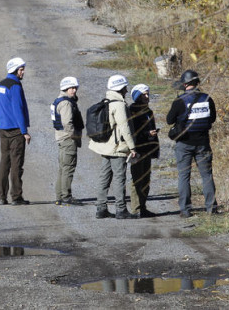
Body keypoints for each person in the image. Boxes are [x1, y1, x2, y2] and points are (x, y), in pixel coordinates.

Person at [166, 70, 218, 218]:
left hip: (184, 143)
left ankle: (185, 209)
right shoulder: (207, 99)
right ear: (197, 83)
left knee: (184, 176)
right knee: (207, 175)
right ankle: (211, 208)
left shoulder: (180, 101)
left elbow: (169, 120)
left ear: (185, 84)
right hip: (203, 142)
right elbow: (212, 119)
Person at [88, 74, 139, 219]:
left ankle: (101, 208)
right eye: (125, 87)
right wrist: (132, 147)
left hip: (105, 147)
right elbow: (125, 128)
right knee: (119, 178)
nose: (127, 90)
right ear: (121, 88)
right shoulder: (119, 105)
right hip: (117, 149)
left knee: (104, 177)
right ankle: (121, 209)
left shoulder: (106, 101)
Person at [0, 57, 31, 205]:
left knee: (5, 162)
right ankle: (16, 197)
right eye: (21, 70)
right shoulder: (15, 86)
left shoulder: (0, 85)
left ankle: (1, 197)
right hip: (16, 131)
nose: (23, 72)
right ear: (15, 70)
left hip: (3, 129)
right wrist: (24, 131)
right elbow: (18, 109)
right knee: (16, 164)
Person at [127, 84, 159, 218]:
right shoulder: (132, 111)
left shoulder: (148, 111)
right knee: (137, 179)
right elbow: (132, 132)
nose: (147, 97)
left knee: (146, 180)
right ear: (137, 97)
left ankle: (143, 207)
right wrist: (147, 134)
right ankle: (136, 208)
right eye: (143, 95)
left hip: (148, 149)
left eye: (147, 94)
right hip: (137, 149)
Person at [51, 76, 83, 205]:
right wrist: (74, 135)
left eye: (75, 88)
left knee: (63, 168)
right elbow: (67, 122)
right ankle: (66, 196)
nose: (74, 90)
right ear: (65, 88)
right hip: (67, 139)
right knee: (68, 168)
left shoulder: (59, 100)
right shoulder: (66, 103)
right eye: (71, 88)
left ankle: (60, 195)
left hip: (62, 139)